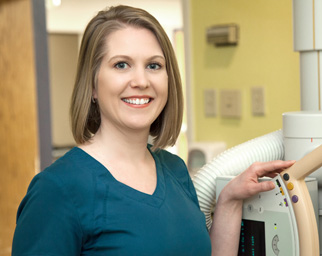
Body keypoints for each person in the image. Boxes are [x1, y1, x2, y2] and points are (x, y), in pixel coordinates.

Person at [12, 5, 295, 256]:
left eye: (154, 65)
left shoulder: (175, 170)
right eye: (121, 65)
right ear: (93, 85)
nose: (141, 81)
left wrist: (230, 201)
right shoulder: (57, 190)